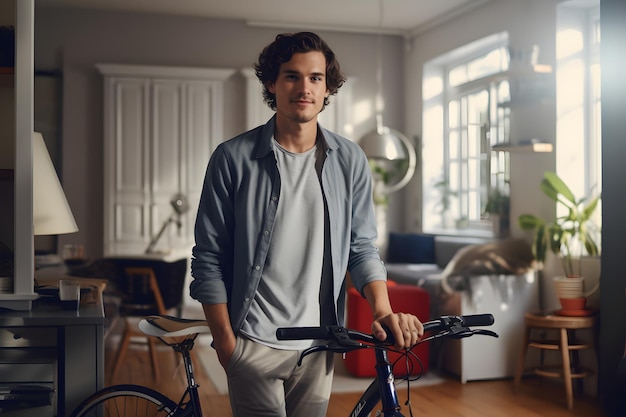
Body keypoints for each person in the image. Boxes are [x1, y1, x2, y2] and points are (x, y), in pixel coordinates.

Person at [190, 31, 423, 417]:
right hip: (254, 341)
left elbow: (361, 246)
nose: (304, 87)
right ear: (272, 82)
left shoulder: (349, 160)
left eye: (315, 78)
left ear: (328, 86)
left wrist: (382, 311)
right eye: (292, 76)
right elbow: (208, 259)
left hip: (319, 345)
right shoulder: (232, 158)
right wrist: (227, 344)